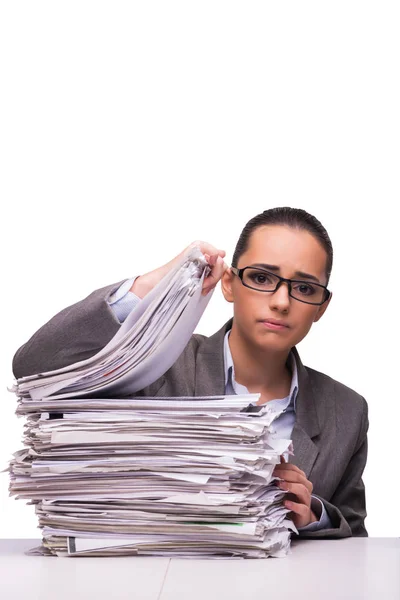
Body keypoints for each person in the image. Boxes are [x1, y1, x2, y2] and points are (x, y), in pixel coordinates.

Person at [12, 207, 368, 539]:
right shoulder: (159, 366)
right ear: (229, 284)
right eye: (261, 278)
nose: (281, 301)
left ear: (322, 306)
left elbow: (356, 543)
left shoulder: (346, 412)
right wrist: (159, 285)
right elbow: (36, 366)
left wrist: (314, 514)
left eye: (304, 288)